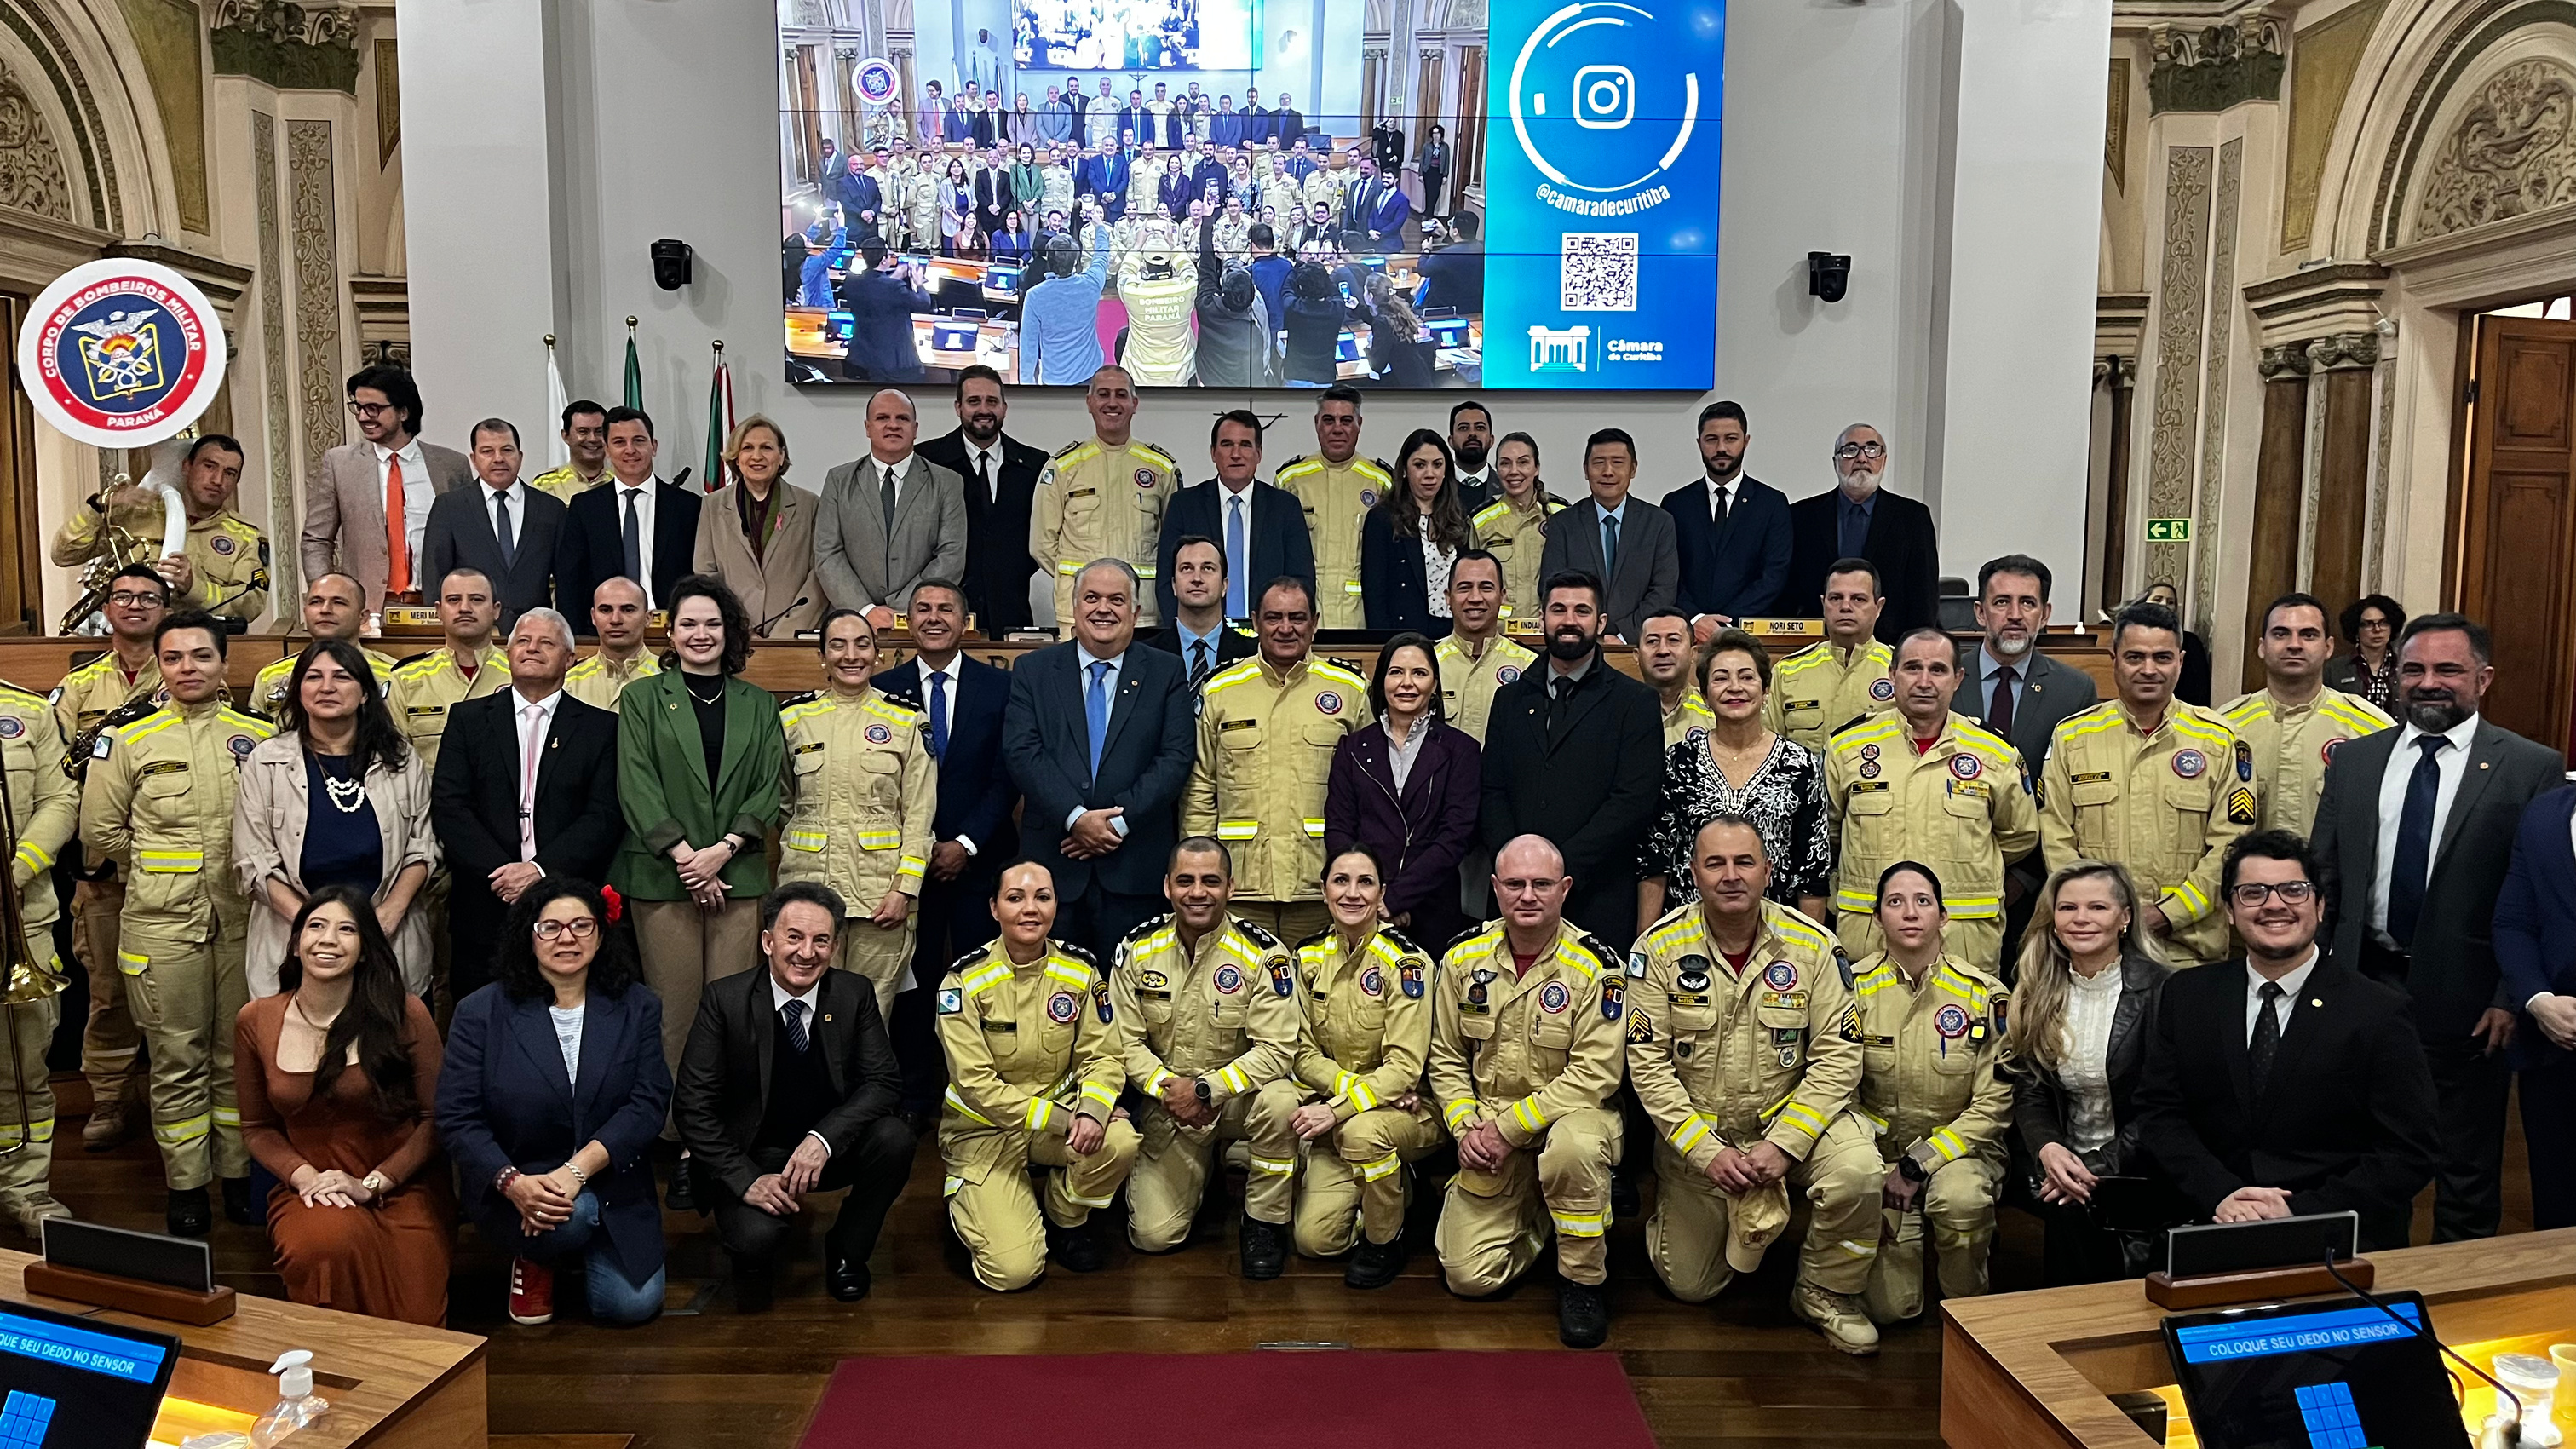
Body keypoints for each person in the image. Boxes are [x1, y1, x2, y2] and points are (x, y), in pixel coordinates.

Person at [2311, 613, 2562, 1241]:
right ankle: (2373, 1302)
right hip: (2361, 986)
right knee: (2363, 1162)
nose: (2429, 683)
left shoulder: (2529, 766)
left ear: (2483, 678)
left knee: (2467, 1174)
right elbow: (2326, 875)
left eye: (2448, 670)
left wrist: (2513, 994)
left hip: (2472, 1003)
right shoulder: (2356, 760)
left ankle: (2457, 1311)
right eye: (2414, 669)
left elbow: (2536, 898)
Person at [1626, 815, 1876, 1350]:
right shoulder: (1658, 950)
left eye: (1744, 862)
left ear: (1768, 870)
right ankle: (1697, 1214)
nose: (1730, 875)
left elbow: (1839, 1054)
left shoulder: (1813, 946)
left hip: (1795, 1123)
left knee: (1858, 1170)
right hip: (1703, 1139)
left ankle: (1823, 1292)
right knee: (1692, 1286)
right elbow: (1648, 1066)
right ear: (1694, 873)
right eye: (1715, 863)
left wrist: (1786, 1143)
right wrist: (1704, 1151)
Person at [2135, 831, 2440, 1253]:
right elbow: (2160, 1115)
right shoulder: (2187, 996)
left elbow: (2410, 1150)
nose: (2274, 904)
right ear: (2229, 910)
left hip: (2339, 1238)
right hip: (2208, 1225)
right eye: (2253, 892)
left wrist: (2301, 1213)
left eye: (2293, 890)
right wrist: (2221, 1194)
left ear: (2319, 905)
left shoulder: (2379, 1011)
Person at [82, 610, 277, 1234]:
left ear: (225, 664)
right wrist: (166, 866)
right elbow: (99, 830)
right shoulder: (129, 739)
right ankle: (187, 1185)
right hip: (163, 925)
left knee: (237, 1058)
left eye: (201, 656)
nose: (187, 668)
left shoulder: (260, 735)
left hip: (246, 920)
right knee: (175, 1058)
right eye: (173, 658)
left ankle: (239, 1174)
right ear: (160, 666)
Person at [437, 880, 670, 1326]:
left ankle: (572, 1241)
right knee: (573, 1216)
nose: (567, 938)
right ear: (529, 935)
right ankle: (536, 1255)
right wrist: (511, 1183)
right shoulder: (479, 1013)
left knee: (630, 1307)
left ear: (601, 935)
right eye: (551, 927)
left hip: (608, 1180)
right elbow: (457, 1117)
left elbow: (648, 1102)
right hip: (520, 1180)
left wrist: (576, 1171)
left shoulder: (638, 1006)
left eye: (582, 926)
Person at [673, 882, 915, 1308]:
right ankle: (753, 1252)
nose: (807, 952)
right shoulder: (724, 1000)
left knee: (894, 1138)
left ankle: (847, 1251)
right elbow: (692, 1108)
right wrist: (744, 1179)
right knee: (755, 1243)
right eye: (794, 937)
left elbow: (883, 1082)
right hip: (752, 1152)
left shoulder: (853, 993)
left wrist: (823, 1139)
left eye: (821, 940)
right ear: (767, 941)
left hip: (826, 1147)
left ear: (835, 946)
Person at [1429, 835, 1625, 1347]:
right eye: (1514, 884)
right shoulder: (1461, 960)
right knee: (1467, 1278)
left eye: (1541, 884)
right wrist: (1463, 1122)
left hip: (1570, 1121)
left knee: (1574, 1148)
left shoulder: (1598, 968)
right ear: (1495, 889)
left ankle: (1582, 1279)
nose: (1528, 896)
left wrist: (1508, 1129)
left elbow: (1594, 1077)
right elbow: (1446, 1056)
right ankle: (1544, 1219)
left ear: (1564, 890)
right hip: (1487, 1124)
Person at [233, 888, 450, 1324]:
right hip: (314, 1189)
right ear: (295, 944)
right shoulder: (256, 1019)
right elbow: (257, 1128)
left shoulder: (406, 1014)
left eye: (346, 929)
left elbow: (436, 1119)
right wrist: (308, 1177)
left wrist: (371, 1185)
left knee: (418, 1322)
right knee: (323, 1246)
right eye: (315, 926)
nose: (328, 939)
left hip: (401, 1183)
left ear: (367, 949)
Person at [937, 860, 1136, 1287]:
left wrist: (1094, 1111)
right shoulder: (962, 983)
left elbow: (1103, 1056)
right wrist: (1069, 1119)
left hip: (1053, 1127)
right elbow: (976, 1086)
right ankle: (977, 1204)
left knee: (1119, 1140)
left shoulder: (1080, 970)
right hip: (984, 1132)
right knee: (1014, 1273)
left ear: (1055, 906)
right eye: (1015, 898)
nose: (1030, 909)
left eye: (1042, 897)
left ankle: (1065, 1217)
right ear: (994, 909)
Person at [1107, 838, 1301, 1272]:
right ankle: (1207, 1171)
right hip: (1170, 1103)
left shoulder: (1265, 954)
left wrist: (1206, 1089)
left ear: (1231, 887)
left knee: (1282, 1101)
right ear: (1167, 887)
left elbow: (1276, 1050)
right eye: (1186, 881)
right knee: (1153, 1237)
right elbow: (1123, 1042)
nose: (1198, 892)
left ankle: (1263, 1222)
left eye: (1211, 881)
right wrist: (1168, 1088)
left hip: (1235, 1100)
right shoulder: (1137, 950)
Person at [1833, 864, 2014, 1327]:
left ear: (1944, 916)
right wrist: (1880, 1165)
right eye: (1895, 902)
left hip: (1959, 1155)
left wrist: (1921, 1164)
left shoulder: (1985, 997)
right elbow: (1837, 1091)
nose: (1909, 913)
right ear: (1876, 919)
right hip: (1883, 1158)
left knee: (1962, 1202)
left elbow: (1993, 1106)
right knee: (1892, 1309)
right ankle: (1899, 1235)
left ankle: (1969, 1306)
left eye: (1922, 901)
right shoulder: (1848, 992)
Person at [2038, 601, 2252, 967]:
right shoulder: (2073, 737)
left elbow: (2230, 849)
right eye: (2135, 657)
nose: (2148, 669)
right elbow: (2055, 837)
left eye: (2162, 658)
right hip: (2095, 945)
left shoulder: (2219, 740)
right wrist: (2098, 913)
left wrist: (2168, 914)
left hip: (2188, 949)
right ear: (2114, 660)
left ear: (2181, 662)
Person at [1002, 559, 1196, 963]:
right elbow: (1022, 752)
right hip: (1053, 868)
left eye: (1116, 600)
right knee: (1055, 998)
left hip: (1134, 867)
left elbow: (1174, 758)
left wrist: (1114, 824)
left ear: (1136, 613)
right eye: (1091, 598)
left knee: (1134, 998)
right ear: (1074, 609)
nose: (1102, 609)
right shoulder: (1034, 671)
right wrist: (1076, 818)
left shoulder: (1166, 672)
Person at [429, 608, 623, 1003]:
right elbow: (450, 806)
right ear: (508, 652)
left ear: (569, 659)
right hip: (484, 899)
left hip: (568, 899)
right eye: (523, 641)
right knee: (483, 1021)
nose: (532, 648)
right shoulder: (468, 720)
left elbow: (603, 815)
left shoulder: (601, 727)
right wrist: (504, 875)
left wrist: (539, 870)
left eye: (546, 643)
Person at [876, 581, 1018, 1111]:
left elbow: (1008, 775)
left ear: (966, 622)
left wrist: (964, 842)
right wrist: (920, 848)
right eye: (923, 609)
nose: (934, 618)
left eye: (946, 610)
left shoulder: (1000, 687)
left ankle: (986, 1094)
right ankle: (913, 1092)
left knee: (984, 978)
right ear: (907, 621)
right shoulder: (884, 687)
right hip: (904, 866)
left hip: (982, 861)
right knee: (911, 981)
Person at [1821, 630, 2038, 970]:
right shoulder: (1847, 747)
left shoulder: (1994, 752)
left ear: (1958, 678)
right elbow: (1829, 834)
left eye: (1937, 670)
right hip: (1868, 939)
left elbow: (2020, 835)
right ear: (1892, 675)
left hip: (1963, 940)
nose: (1924, 681)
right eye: (1912, 668)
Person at [233, 641, 437, 998]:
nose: (327, 687)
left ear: (364, 695)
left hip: (387, 933)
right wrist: (317, 928)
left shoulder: (401, 759)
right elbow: (253, 862)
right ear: (298, 691)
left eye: (341, 677)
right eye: (314, 677)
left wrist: (389, 915)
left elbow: (423, 848)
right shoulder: (266, 761)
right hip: (294, 936)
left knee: (385, 1046)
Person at [2004, 860, 2175, 1285]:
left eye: (2097, 907)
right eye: (2067, 909)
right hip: (2062, 1172)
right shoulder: (2037, 987)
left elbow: (2165, 1111)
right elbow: (2031, 1091)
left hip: (2143, 1172)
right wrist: (2049, 1150)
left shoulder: (2165, 991)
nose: (2081, 919)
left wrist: (2091, 1168)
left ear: (2125, 918)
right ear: (2053, 919)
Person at [1280, 848, 1442, 1285]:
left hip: (1406, 1113)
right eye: (1341, 881)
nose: (1352, 893)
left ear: (1382, 894)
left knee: (1361, 1132)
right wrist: (1350, 1092)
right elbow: (1301, 1050)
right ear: (1324, 890)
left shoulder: (1408, 964)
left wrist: (1337, 1109)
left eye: (1365, 882)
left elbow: (1404, 1069)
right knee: (1316, 1242)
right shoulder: (1307, 957)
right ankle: (1393, 1190)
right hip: (1345, 1107)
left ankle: (1384, 1239)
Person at [1481, 572, 1665, 948]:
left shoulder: (1635, 703)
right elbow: (1491, 791)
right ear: (1542, 618)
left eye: (1582, 611)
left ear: (1600, 623)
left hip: (1598, 894)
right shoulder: (1509, 700)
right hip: (1514, 899)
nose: (1569, 620)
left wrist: (1559, 871)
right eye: (1558, 609)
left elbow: (1634, 800)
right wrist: (1519, 872)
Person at [1183, 579, 1370, 944]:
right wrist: (1199, 873)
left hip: (1323, 883)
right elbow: (1201, 788)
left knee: (1320, 992)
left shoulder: (1350, 690)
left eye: (1297, 617)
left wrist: (1359, 876)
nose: (1286, 628)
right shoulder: (1221, 689)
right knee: (1239, 994)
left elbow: (1370, 791)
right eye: (1274, 617)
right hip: (1240, 886)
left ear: (1315, 622)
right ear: (1255, 621)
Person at [55, 565, 166, 1153]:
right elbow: (59, 773)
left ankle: (175, 1094)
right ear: (107, 606)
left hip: (169, 864)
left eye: (148, 596)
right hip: (101, 868)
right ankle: (108, 1095)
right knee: (106, 991)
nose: (135, 605)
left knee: (175, 989)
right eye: (124, 595)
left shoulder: (183, 670)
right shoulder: (79, 687)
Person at [777, 612, 935, 1018]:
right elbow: (780, 803)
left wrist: (906, 889)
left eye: (862, 645)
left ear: (878, 654)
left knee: (868, 1019)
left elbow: (920, 814)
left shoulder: (906, 720)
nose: (851, 655)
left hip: (880, 901)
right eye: (838, 645)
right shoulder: (793, 718)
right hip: (808, 894)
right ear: (822, 657)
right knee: (801, 1013)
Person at [1641, 629, 1830, 925]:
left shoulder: (1800, 763)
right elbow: (1655, 859)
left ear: (1765, 689)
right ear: (1704, 694)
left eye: (1746, 676)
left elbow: (1812, 870)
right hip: (1688, 933)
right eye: (1720, 678)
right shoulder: (1679, 760)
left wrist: (1810, 949)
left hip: (1776, 935)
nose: (1734, 687)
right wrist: (1645, 941)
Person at [1323, 635, 1481, 954]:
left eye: (1419, 673)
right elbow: (1340, 828)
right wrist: (1370, 894)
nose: (1406, 683)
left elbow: (1455, 837)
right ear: (1381, 681)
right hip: (1362, 909)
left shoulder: (1461, 750)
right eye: (1396, 673)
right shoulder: (1352, 748)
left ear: (1435, 684)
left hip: (1433, 908)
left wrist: (1395, 900)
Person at [301, 365, 473, 612]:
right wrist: (327, 595)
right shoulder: (340, 464)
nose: (363, 417)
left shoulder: (451, 466)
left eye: (374, 409)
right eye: (358, 408)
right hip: (365, 609)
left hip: (436, 608)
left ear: (403, 412)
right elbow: (316, 539)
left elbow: (469, 540)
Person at [0, 674, 75, 1234]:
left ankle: (24, 1187)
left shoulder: (28, 710)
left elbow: (60, 798)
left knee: (23, 1064)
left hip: (20, 912)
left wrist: (16, 870)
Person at [2222, 592, 2394, 835]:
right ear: (2262, 647)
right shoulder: (2226, 726)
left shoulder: (2372, 729)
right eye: (2281, 634)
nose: (2294, 644)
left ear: (2328, 647)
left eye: (2308, 635)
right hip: (2249, 871)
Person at [53, 434, 269, 624]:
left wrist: (194, 587)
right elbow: (64, 555)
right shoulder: (137, 514)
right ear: (187, 466)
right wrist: (100, 506)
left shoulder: (246, 536)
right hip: (129, 641)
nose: (217, 480)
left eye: (230, 473)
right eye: (209, 466)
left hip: (198, 646)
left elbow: (251, 604)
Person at [1031, 367, 1179, 630]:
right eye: (1103, 394)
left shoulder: (1161, 468)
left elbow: (1174, 543)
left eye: (1121, 395)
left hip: (1140, 610)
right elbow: (1042, 544)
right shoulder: (1063, 466)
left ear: (1134, 404)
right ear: (1090, 403)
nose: (1112, 403)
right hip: (1079, 611)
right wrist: (1087, 584)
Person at [2493, 770, 2576, 1229]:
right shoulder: (2546, 814)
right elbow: (2513, 922)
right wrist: (2537, 999)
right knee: (2558, 1212)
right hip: (2554, 1047)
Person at [814, 388, 969, 624]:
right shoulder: (838, 480)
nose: (893, 425)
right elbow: (828, 554)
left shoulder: (947, 483)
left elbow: (950, 556)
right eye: (882, 418)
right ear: (867, 427)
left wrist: (904, 607)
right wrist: (866, 610)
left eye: (902, 418)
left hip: (923, 620)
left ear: (915, 429)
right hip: (852, 622)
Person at [918, 365, 1049, 635]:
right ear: (958, 407)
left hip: (1011, 606)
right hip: (942, 609)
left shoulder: (1035, 464)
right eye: (973, 401)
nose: (984, 410)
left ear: (1004, 407)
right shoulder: (927, 461)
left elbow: (1043, 534)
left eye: (992, 401)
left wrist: (1013, 571)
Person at [1154, 411, 1314, 629]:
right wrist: (1185, 633)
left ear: (1259, 453)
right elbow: (1167, 580)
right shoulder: (1185, 505)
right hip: (1201, 635)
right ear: (1213, 452)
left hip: (1268, 637)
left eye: (1245, 445)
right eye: (1227, 444)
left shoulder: (1285, 507)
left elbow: (1301, 582)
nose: (1236, 454)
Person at [1786, 425, 1940, 640]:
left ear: (1883, 460)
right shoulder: (1801, 516)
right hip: (1816, 644)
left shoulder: (1912, 517)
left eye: (1872, 450)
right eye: (1850, 450)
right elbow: (1788, 591)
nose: (1861, 458)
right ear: (1836, 462)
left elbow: (1923, 595)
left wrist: (1918, 648)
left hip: (1889, 646)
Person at [555, 406, 704, 618]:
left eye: (639, 440)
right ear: (606, 449)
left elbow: (700, 577)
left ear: (654, 446)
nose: (630, 449)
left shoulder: (688, 507)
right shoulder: (585, 508)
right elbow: (570, 580)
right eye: (619, 442)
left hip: (673, 628)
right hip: (605, 630)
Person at [1535, 429, 1680, 645]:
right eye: (1599, 463)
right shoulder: (1563, 524)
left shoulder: (1659, 523)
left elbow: (1663, 590)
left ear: (1633, 469)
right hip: (1578, 643)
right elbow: (1552, 588)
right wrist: (1589, 631)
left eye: (1618, 462)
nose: (1608, 472)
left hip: (1638, 643)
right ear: (1586, 470)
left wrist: (1623, 636)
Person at [1664, 402, 1793, 633]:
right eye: (1711, 439)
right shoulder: (1676, 504)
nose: (1721, 448)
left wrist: (1727, 622)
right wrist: (1696, 618)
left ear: (1746, 441)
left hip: (1750, 632)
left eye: (1731, 438)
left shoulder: (1772, 503)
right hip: (1688, 630)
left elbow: (1773, 575)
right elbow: (1668, 573)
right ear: (1699, 443)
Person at [693, 416, 824, 640]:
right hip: (734, 636)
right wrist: (738, 627)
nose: (757, 456)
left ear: (781, 456)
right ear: (736, 456)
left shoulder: (809, 504)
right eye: (747, 448)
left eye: (767, 448)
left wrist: (785, 633)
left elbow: (819, 575)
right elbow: (706, 574)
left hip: (794, 637)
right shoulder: (712, 505)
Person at [421, 418, 564, 623]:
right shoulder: (450, 507)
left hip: (535, 633)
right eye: (487, 451)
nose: (498, 459)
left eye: (507, 450)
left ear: (520, 456)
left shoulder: (550, 509)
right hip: (471, 631)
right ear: (474, 459)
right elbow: (435, 577)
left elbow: (567, 580)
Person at [1275, 388, 1391, 630]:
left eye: (1346, 421)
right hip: (1302, 618)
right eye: (1329, 420)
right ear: (1317, 423)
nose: (1337, 428)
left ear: (1359, 424)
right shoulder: (1291, 480)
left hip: (1361, 619)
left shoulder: (1381, 482)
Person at [1764, 558, 1895, 753]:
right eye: (1836, 598)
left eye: (1858, 599)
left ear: (1879, 607)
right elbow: (1767, 748)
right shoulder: (1788, 671)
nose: (1845, 607)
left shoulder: (1900, 669)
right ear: (1823, 603)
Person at [386, 568, 506, 776]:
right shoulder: (406, 679)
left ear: (496, 610)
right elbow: (393, 764)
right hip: (429, 806)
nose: (465, 608)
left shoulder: (521, 675)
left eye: (477, 600)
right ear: (438, 611)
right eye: (453, 600)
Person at [1361, 430, 1472, 635]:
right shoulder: (1383, 519)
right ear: (1404, 469)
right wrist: (1382, 641)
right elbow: (1374, 591)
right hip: (1404, 633)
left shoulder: (1457, 516)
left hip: (1453, 630)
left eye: (1437, 465)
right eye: (1420, 465)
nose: (1430, 474)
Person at [250, 573, 397, 722]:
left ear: (363, 617)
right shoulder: (270, 676)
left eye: (339, 602)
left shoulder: (393, 675)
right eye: (316, 602)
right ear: (305, 611)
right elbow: (258, 735)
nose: (325, 610)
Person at [1433, 550, 1534, 745]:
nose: (1475, 597)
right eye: (1464, 588)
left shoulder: (1530, 666)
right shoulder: (1427, 663)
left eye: (1486, 588)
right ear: (1448, 597)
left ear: (1502, 596)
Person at [1471, 432, 1567, 620]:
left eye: (1523, 462)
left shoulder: (1562, 514)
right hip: (1500, 631)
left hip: (1551, 628)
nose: (1514, 471)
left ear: (1536, 468)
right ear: (1497, 469)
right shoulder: (1481, 520)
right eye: (1505, 463)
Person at [1145, 537, 1256, 693]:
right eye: (1187, 569)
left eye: (1208, 568)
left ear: (1224, 586)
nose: (1197, 578)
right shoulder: (1146, 656)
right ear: (1174, 585)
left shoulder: (1253, 656)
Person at [1020, 213, 1116, 386]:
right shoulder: (1091, 283)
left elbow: (1028, 348)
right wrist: (1100, 227)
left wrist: (1027, 388)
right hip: (1090, 374)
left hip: (1055, 379)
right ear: (1075, 262)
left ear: (1048, 260)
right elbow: (1102, 257)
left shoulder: (1034, 296)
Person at [562, 577, 660, 709]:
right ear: (593, 617)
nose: (615, 620)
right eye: (606, 610)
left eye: (627, 610)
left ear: (648, 618)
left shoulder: (668, 678)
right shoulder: (570, 682)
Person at [1636, 611, 1715, 750]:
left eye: (1673, 640)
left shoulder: (1715, 709)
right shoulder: (1618, 712)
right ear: (1637, 656)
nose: (1663, 650)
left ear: (1693, 653)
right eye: (1652, 641)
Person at [2325, 594, 2404, 711]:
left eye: (2383, 623)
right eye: (2368, 624)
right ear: (2356, 630)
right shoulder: (2334, 669)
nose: (2377, 630)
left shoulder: (2405, 667)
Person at [2137, 582, 2212, 707]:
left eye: (2170, 602)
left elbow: (2199, 690)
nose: (2164, 604)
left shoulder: (2190, 642)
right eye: (2157, 599)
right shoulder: (2131, 636)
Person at [530, 400, 611, 501]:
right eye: (583, 432)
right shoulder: (544, 485)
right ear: (565, 436)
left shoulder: (621, 481)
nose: (592, 439)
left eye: (599, 431)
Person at [1418, 124, 1451, 219]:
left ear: (1441, 135)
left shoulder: (1445, 147)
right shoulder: (1427, 146)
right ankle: (1428, 212)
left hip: (1438, 172)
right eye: (1434, 133)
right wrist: (1420, 174)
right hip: (1428, 171)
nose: (1436, 135)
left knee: (1435, 192)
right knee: (1428, 192)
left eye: (1438, 133)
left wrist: (1445, 175)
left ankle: (1429, 212)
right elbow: (1422, 160)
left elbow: (1447, 161)